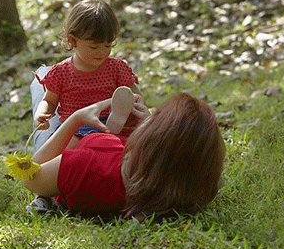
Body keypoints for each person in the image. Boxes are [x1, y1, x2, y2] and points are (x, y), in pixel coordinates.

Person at [24, 92, 226, 220]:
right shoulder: (176, 192)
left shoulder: (81, 166)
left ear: (153, 142)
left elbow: (31, 178)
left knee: (42, 84)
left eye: (155, 118)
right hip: (118, 146)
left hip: (74, 143)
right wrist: (149, 123)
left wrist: (75, 119)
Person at [31, 0, 141, 154]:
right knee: (64, 152)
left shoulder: (116, 67)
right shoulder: (61, 72)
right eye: (94, 47)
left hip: (112, 121)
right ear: (73, 40)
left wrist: (136, 104)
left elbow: (134, 94)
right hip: (77, 127)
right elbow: (49, 100)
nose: (102, 52)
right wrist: (42, 113)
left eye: (107, 45)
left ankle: (114, 128)